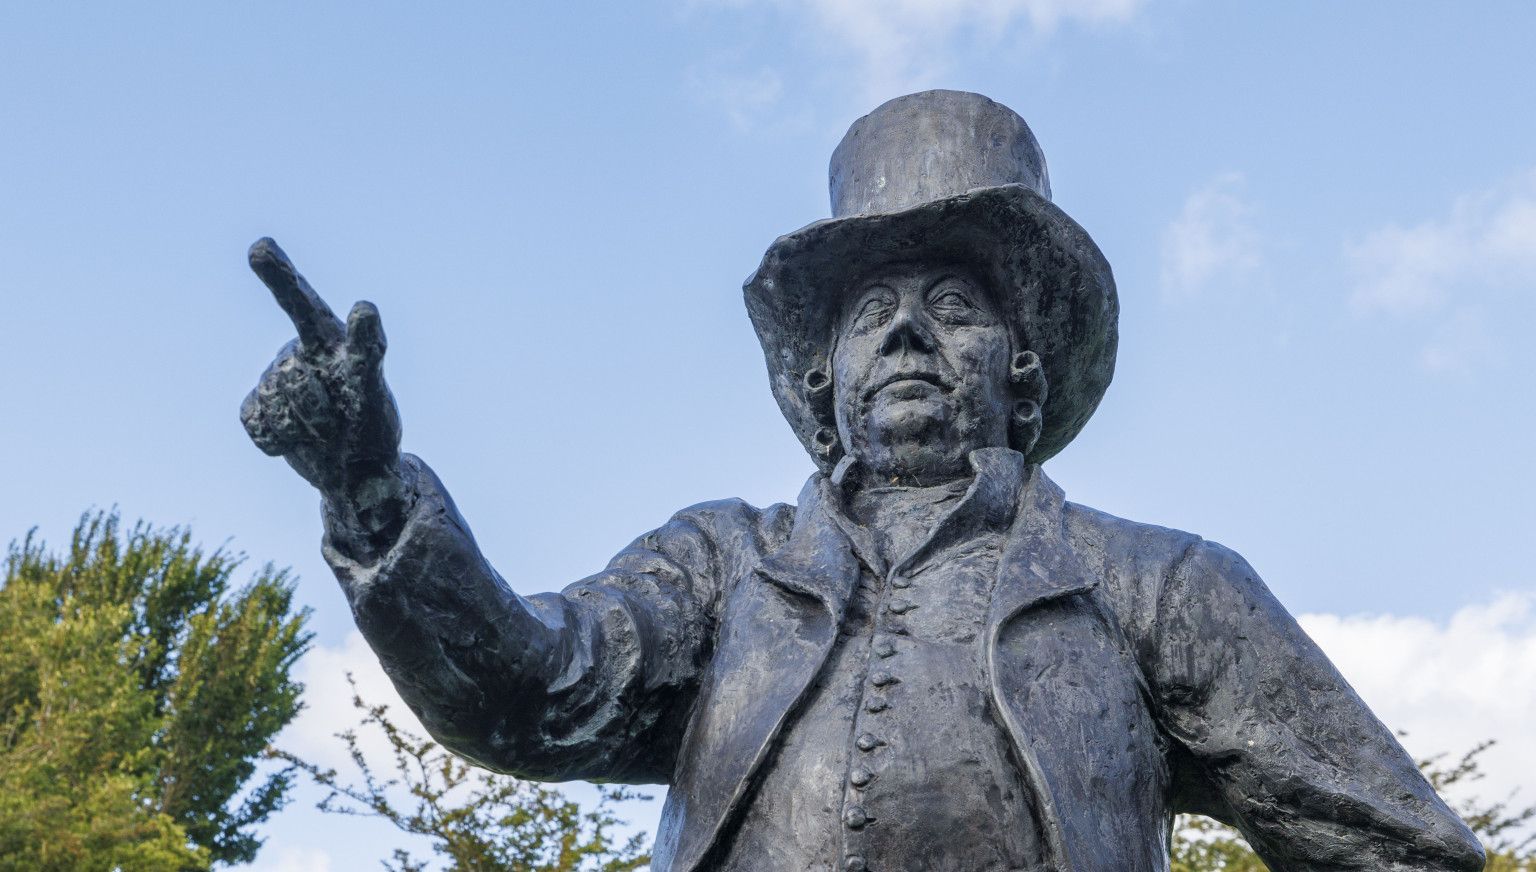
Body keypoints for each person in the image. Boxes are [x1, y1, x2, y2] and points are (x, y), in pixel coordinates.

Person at [240, 91, 1483, 871]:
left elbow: (1396, 847)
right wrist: (368, 486)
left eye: (952, 304)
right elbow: (532, 687)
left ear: (1023, 369)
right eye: (869, 310)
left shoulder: (1160, 582)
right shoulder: (721, 565)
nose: (904, 332)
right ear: (823, 377)